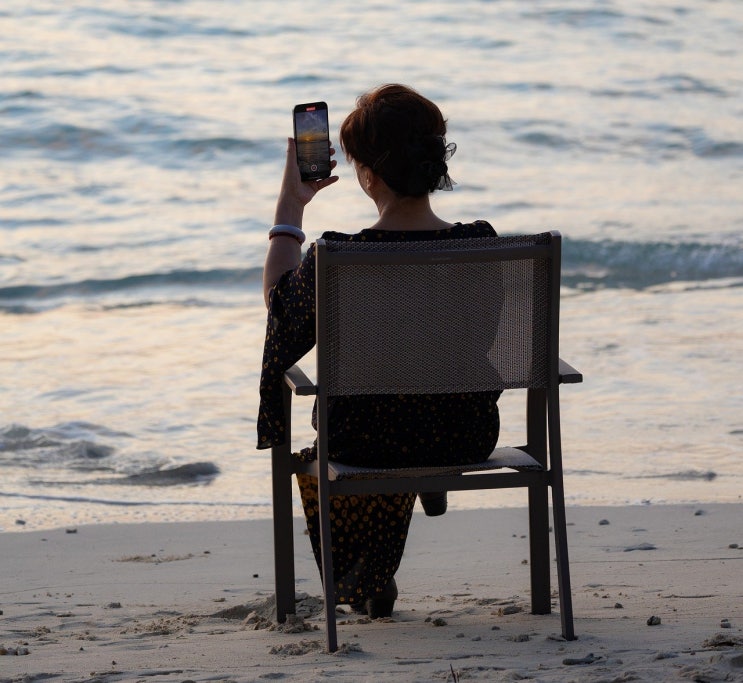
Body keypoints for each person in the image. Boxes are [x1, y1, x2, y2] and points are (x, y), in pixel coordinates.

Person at [257, 84, 501, 618]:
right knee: (407, 396)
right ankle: (425, 485)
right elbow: (479, 335)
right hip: (465, 431)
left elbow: (280, 306)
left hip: (365, 440)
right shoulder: (481, 244)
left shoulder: (339, 258)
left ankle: (368, 579)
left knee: (357, 428)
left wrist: (292, 203)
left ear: (368, 174)